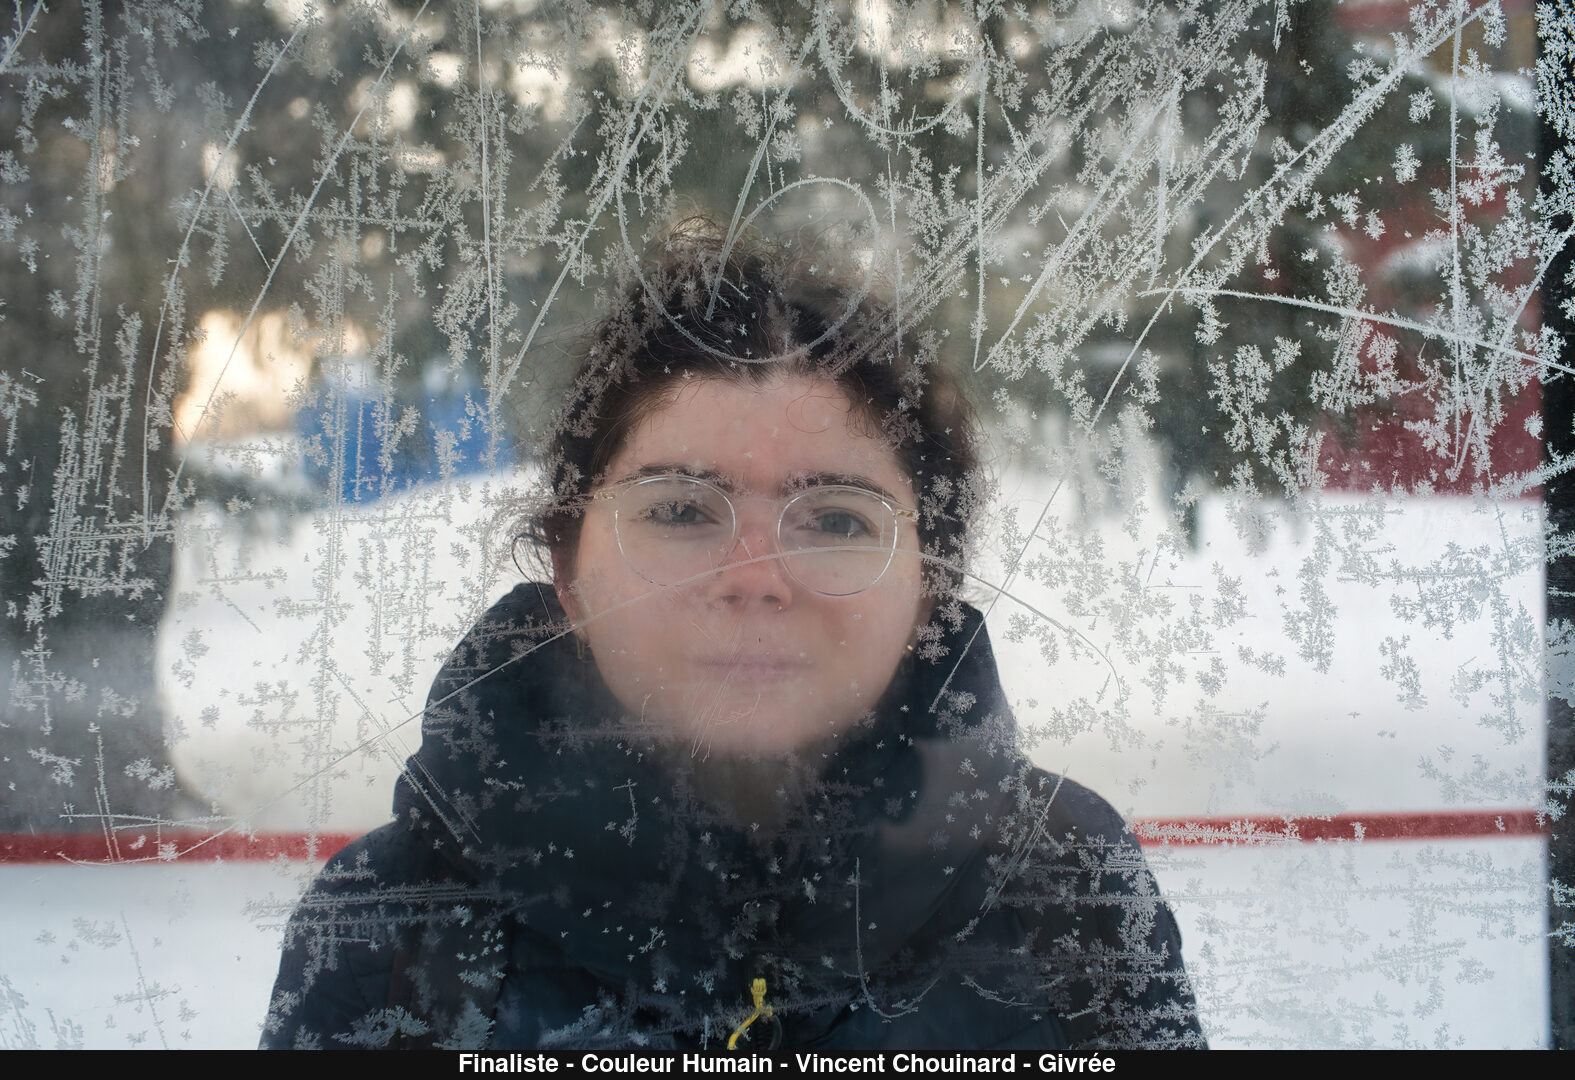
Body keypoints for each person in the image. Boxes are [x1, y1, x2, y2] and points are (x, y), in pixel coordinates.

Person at [260, 219, 1205, 1051]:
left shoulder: (1066, 888)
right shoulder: (393, 923)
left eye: (837, 521)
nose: (754, 578)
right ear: (567, 567)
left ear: (929, 587)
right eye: (678, 511)